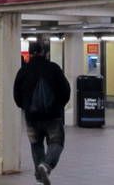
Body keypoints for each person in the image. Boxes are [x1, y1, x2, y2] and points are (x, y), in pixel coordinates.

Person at [13, 41, 71, 185]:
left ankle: (40, 178)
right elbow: (65, 90)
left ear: (29, 53)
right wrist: (59, 106)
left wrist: (26, 107)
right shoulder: (53, 68)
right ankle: (46, 165)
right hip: (53, 116)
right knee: (56, 142)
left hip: (31, 117)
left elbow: (16, 94)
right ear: (44, 52)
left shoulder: (23, 70)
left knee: (36, 145)